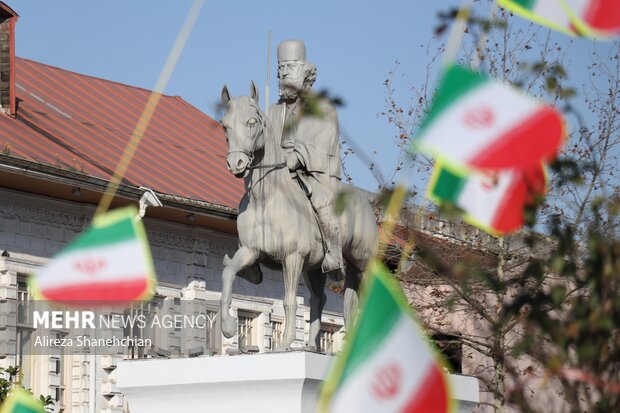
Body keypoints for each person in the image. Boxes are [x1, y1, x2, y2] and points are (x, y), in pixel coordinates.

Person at [268, 39, 344, 275]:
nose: (283, 74)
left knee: (322, 203)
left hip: (313, 172)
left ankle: (334, 252)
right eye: (280, 70)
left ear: (304, 71)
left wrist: (299, 154)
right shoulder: (273, 111)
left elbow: (326, 137)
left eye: (289, 68)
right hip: (279, 172)